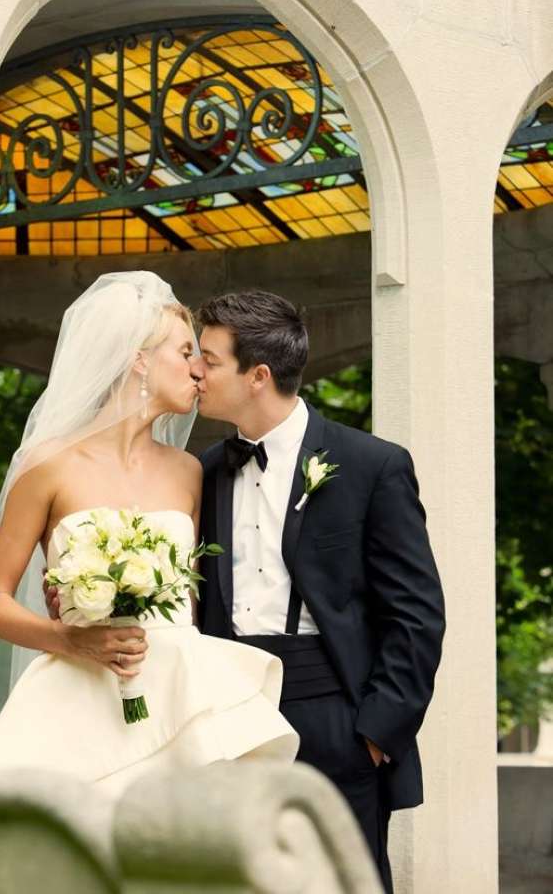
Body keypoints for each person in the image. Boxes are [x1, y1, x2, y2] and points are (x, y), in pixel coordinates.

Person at [0, 272, 298, 794]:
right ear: (138, 359)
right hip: (77, 697)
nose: (198, 370)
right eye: (186, 352)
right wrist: (68, 638)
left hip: (179, 692)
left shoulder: (189, 471)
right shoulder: (48, 465)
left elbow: (188, 602)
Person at [190, 290, 446, 894]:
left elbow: (417, 613)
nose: (195, 372)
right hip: (230, 714)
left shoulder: (371, 465)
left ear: (257, 376)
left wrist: (376, 733)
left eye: (209, 359)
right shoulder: (203, 470)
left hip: (334, 713)